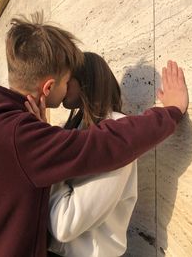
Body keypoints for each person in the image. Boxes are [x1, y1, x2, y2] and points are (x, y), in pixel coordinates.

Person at [0, 14, 188, 257]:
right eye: (64, 79)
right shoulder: (21, 135)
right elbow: (104, 143)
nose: (64, 92)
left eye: (68, 80)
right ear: (48, 87)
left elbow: (64, 224)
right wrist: (170, 112)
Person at [27, 52, 138, 257]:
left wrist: (49, 160)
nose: (61, 85)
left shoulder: (115, 133)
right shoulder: (75, 128)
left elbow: (65, 224)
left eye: (67, 79)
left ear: (86, 82)